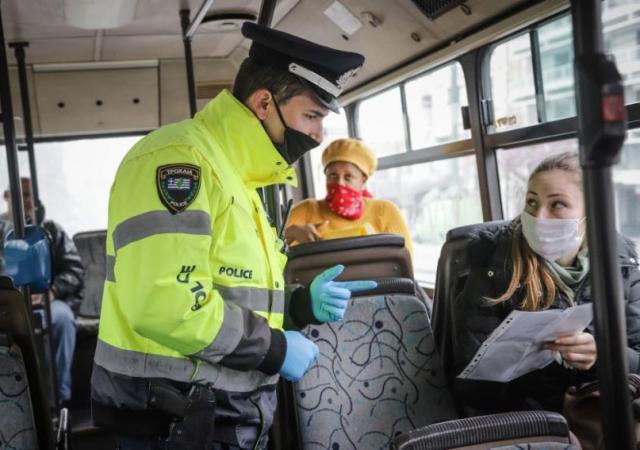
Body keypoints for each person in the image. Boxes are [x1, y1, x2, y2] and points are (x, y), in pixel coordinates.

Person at [91, 23, 376, 450]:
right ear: (264, 103)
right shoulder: (179, 161)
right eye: (313, 115)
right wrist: (276, 349)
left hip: (218, 414)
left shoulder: (241, 177)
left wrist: (297, 305)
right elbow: (167, 302)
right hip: (168, 417)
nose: (318, 136)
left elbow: (231, 289)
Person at [450, 152, 640, 416]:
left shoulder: (621, 264)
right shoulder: (494, 267)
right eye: (531, 202)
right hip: (530, 422)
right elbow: (469, 387)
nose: (539, 216)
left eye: (557, 204)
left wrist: (602, 357)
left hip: (605, 413)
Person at [0, 177, 84, 405]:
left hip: (49, 300)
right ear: (7, 197)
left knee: (62, 320)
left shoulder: (51, 230)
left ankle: (58, 399)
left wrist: (52, 292)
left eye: (29, 196)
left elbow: (74, 269)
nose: (27, 201)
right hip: (8, 306)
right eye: (21, 196)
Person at [285, 138, 414, 257]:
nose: (340, 183)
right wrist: (290, 233)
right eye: (333, 175)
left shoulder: (385, 211)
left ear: (363, 180)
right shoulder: (306, 210)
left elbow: (405, 260)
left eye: (348, 177)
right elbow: (272, 252)